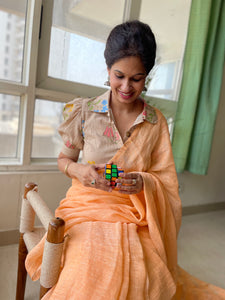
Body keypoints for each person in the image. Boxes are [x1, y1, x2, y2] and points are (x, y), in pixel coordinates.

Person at [25, 20, 225, 300]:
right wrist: (78, 170)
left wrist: (143, 182)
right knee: (87, 270)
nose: (127, 87)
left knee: (143, 272)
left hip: (134, 213)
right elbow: (63, 160)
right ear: (107, 69)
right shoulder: (84, 112)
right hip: (85, 207)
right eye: (119, 75)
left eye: (137, 78)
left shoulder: (155, 123)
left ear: (147, 75)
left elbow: (165, 181)